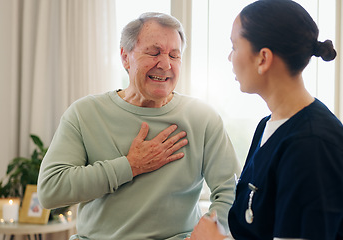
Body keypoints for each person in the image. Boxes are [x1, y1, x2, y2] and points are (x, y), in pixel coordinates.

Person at [37, 12, 241, 240]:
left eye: (174, 55)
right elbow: (50, 190)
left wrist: (202, 237)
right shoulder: (85, 113)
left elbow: (231, 193)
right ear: (125, 57)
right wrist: (130, 166)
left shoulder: (203, 118)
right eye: (154, 53)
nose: (165, 64)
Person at [187, 0, 343, 239]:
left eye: (234, 46)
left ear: (263, 58)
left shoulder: (312, 146)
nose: (229, 57)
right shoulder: (268, 127)